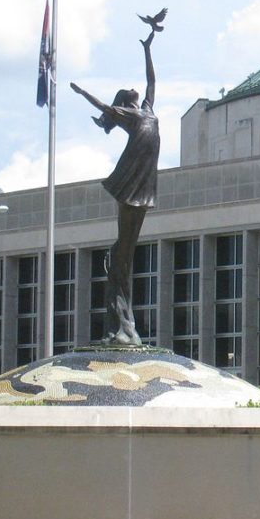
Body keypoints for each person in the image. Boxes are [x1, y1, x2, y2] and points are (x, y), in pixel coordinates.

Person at [71, 21, 162, 346]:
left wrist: (147, 48)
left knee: (126, 251)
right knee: (122, 252)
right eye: (130, 92)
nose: (136, 90)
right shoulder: (127, 114)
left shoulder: (148, 110)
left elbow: (152, 80)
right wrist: (84, 94)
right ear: (126, 101)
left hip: (145, 187)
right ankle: (119, 328)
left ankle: (125, 327)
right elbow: (105, 108)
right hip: (129, 188)